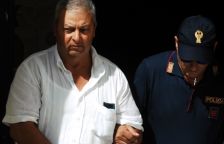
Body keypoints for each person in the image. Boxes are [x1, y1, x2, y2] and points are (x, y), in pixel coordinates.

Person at [2, 0, 143, 144]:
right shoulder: (33, 69)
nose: (76, 38)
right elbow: (19, 127)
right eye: (69, 29)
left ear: (94, 30)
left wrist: (125, 133)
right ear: (56, 29)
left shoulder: (114, 76)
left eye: (84, 30)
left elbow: (133, 129)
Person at [133, 15, 224, 144]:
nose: (194, 68)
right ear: (176, 43)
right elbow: (128, 123)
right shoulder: (150, 70)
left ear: (214, 47)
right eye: (187, 59)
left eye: (201, 60)